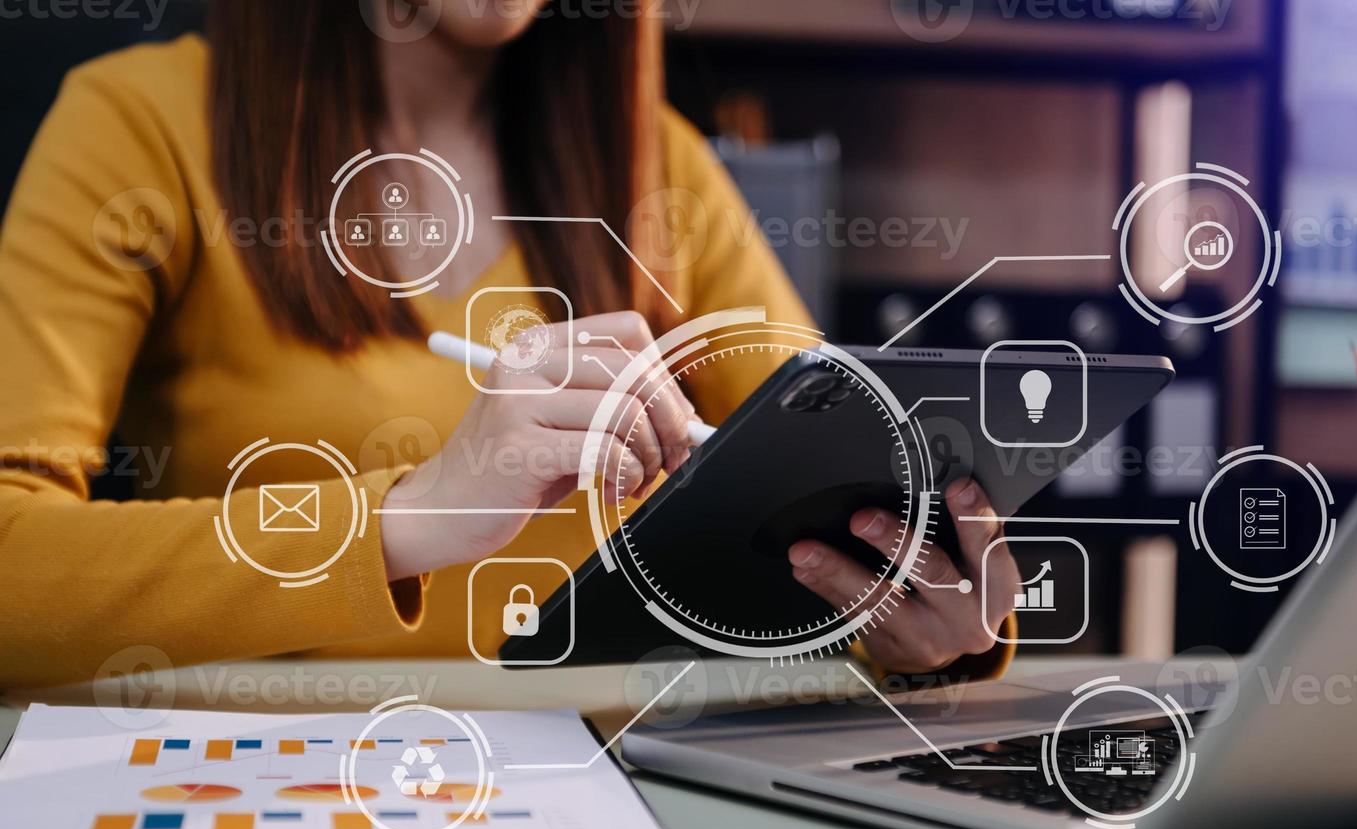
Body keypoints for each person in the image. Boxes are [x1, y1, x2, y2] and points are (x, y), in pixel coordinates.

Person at [0, 0, 1017, 691]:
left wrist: (919, 625)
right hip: (302, 800)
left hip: (637, 793)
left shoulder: (657, 164)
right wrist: (411, 515)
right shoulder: (140, 124)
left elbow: (850, 486)